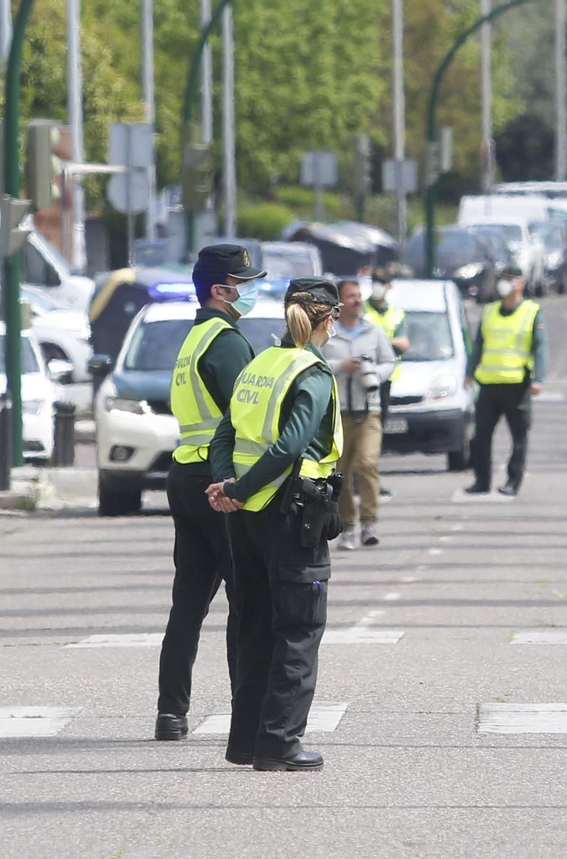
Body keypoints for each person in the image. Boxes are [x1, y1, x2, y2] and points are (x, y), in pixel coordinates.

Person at [205, 277, 343, 772]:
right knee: (299, 630)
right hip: (290, 515)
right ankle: (281, 743)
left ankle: (245, 742)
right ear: (328, 319)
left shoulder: (260, 363)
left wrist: (227, 486)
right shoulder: (313, 373)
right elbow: (289, 449)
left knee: (254, 627)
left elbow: (225, 433)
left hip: (244, 519)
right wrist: (238, 490)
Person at [154, 244, 263, 742]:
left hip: (184, 476)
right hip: (219, 483)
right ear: (221, 290)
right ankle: (249, 712)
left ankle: (171, 712)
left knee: (188, 604)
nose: (251, 291)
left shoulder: (193, 339)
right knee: (245, 602)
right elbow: (248, 415)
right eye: (244, 283)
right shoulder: (226, 341)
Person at [322, 278, 395, 549]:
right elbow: (314, 362)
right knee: (340, 473)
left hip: (368, 411)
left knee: (367, 464)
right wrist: (340, 365)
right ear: (339, 303)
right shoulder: (329, 332)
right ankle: (348, 527)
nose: (357, 300)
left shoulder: (373, 332)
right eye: (351, 296)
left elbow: (389, 361)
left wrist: (373, 373)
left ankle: (369, 522)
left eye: (358, 295)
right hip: (338, 413)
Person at [464, 266, 547, 497]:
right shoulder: (490, 311)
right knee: (480, 436)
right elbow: (479, 343)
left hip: (517, 384)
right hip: (489, 384)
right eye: (502, 280)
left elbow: (540, 347)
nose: (504, 284)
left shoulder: (531, 311)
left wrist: (538, 378)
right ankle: (481, 480)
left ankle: (513, 480)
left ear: (520, 283)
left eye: (509, 280)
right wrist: (469, 372)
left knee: (519, 437)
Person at [363, 271, 409, 502]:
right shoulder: (361, 310)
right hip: (359, 379)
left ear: (389, 286)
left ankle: (371, 481)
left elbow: (404, 343)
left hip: (384, 381)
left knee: (375, 433)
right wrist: (388, 344)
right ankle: (355, 481)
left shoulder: (396, 313)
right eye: (375, 282)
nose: (377, 287)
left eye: (381, 283)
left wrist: (379, 342)